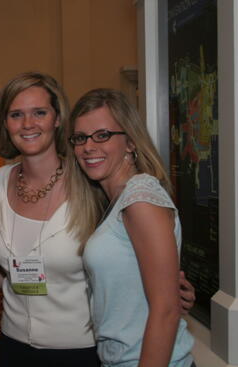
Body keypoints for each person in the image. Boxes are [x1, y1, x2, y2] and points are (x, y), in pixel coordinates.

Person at [0, 72, 195, 367]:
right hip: (16, 345)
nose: (28, 123)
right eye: (16, 114)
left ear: (57, 119)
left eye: (39, 112)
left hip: (83, 350)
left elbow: (157, 292)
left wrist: (173, 292)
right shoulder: (2, 180)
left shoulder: (92, 186)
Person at [67, 88, 194, 366]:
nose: (88, 147)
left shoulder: (140, 198)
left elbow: (166, 310)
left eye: (102, 135)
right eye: (80, 138)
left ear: (131, 142)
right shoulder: (116, 201)